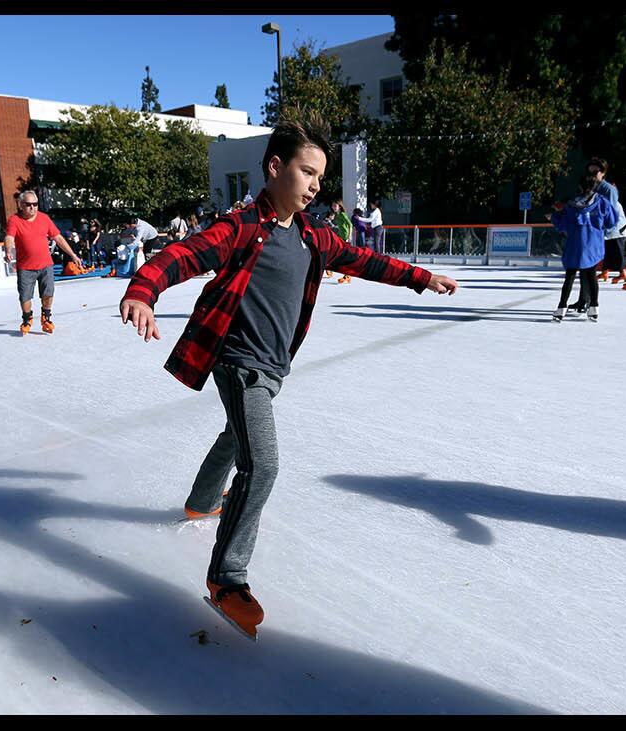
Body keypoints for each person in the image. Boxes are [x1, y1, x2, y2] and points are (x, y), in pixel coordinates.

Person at [117, 116, 459, 639]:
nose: (316, 185)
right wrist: (144, 289)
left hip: (273, 367)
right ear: (275, 168)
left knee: (238, 436)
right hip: (238, 361)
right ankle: (226, 578)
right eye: (307, 172)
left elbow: (366, 260)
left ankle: (202, 499)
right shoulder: (241, 227)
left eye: (321, 177)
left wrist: (420, 277)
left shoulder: (313, 237)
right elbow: (183, 254)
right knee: (265, 462)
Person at [4, 191, 86, 335]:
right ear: (21, 205)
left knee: (48, 294)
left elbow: (58, 238)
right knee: (25, 297)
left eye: (35, 204)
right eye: (28, 204)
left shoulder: (44, 218)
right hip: (25, 267)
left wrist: (73, 255)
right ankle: (27, 319)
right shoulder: (14, 220)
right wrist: (8, 250)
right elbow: (9, 237)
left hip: (45, 265)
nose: (32, 207)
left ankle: (46, 317)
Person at [549, 172, 616, 322]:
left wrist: (555, 215)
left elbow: (562, 225)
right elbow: (611, 221)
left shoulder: (571, 205)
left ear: (579, 186)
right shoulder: (602, 202)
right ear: (595, 186)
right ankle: (594, 307)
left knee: (570, 276)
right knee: (591, 276)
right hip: (593, 244)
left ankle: (561, 308)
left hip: (575, 244)